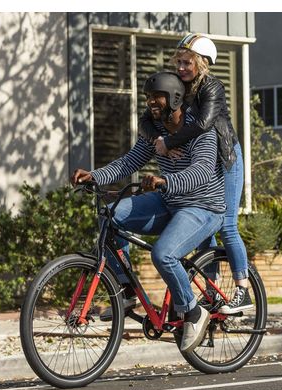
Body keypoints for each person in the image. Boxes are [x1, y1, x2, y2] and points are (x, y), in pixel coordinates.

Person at [72, 72, 225, 352]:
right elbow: (130, 161)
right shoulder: (156, 129)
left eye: (157, 97)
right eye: (148, 98)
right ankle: (125, 289)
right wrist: (94, 176)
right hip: (169, 201)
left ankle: (192, 311)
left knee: (163, 254)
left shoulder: (200, 130)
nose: (151, 102)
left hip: (202, 207)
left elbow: (202, 171)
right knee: (110, 214)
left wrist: (166, 181)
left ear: (175, 98)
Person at [138, 33, 251, 314]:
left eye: (187, 62)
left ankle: (242, 289)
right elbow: (146, 119)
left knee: (226, 224)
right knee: (204, 234)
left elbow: (202, 123)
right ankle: (211, 289)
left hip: (225, 159)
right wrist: (157, 142)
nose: (181, 67)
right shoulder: (178, 86)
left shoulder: (212, 87)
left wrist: (169, 142)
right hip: (200, 160)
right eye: (179, 61)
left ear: (201, 63)